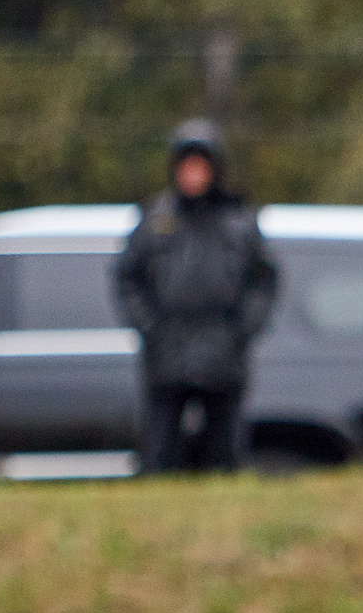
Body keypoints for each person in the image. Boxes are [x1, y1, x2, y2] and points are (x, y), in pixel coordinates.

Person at [114, 119, 279, 474]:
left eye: (200, 166)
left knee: (223, 452)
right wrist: (150, 327)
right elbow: (128, 278)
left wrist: (242, 330)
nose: (193, 175)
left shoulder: (238, 223)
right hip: (167, 352)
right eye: (186, 166)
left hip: (222, 351)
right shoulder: (154, 220)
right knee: (160, 452)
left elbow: (264, 281)